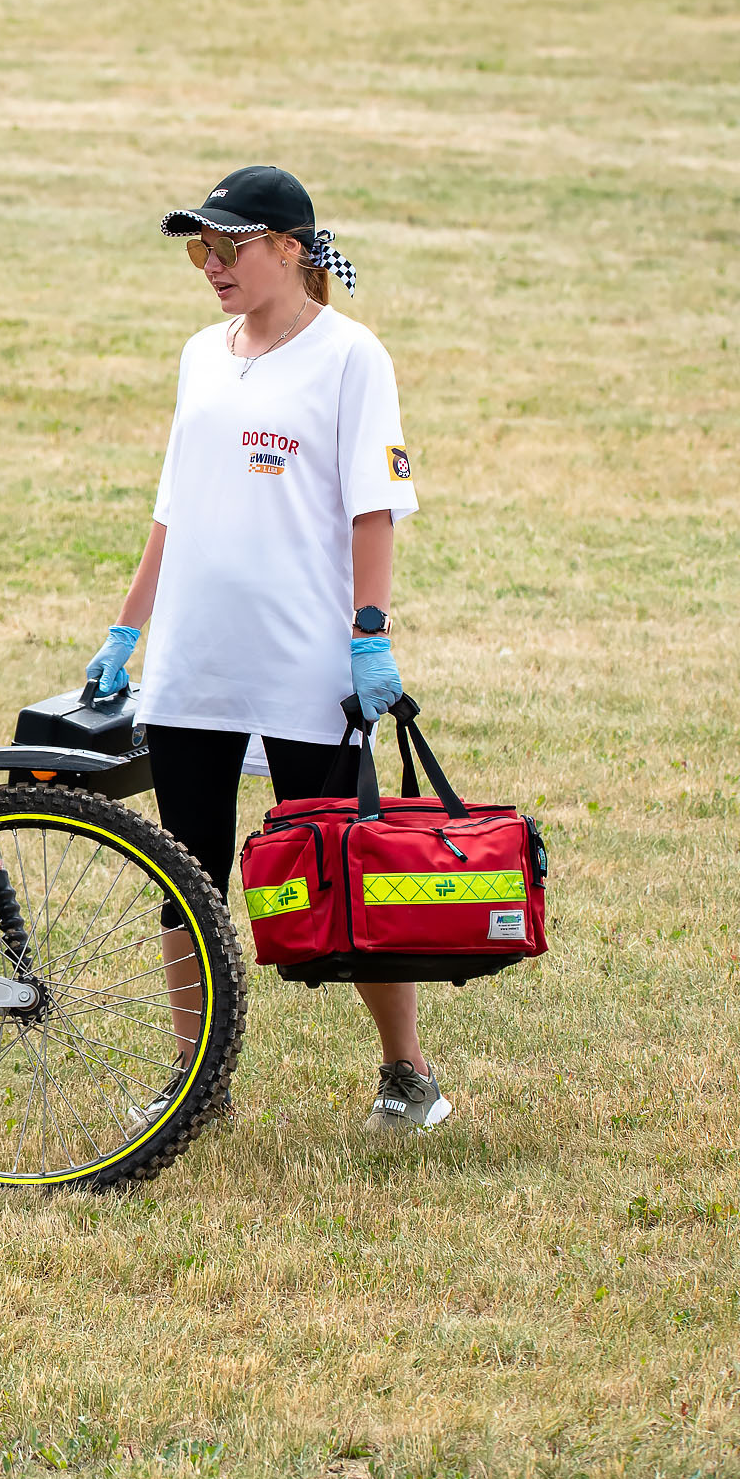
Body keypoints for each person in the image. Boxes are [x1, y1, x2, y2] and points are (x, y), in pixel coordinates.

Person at [82, 165, 449, 1133]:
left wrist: (370, 633)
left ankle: (408, 1072)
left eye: (228, 246)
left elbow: (375, 508)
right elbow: (173, 505)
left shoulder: (352, 356)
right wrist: (128, 627)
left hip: (305, 665)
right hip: (194, 662)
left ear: (290, 249)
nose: (210, 264)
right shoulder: (201, 354)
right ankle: (196, 1081)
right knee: (186, 877)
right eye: (199, 249)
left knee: (340, 870)